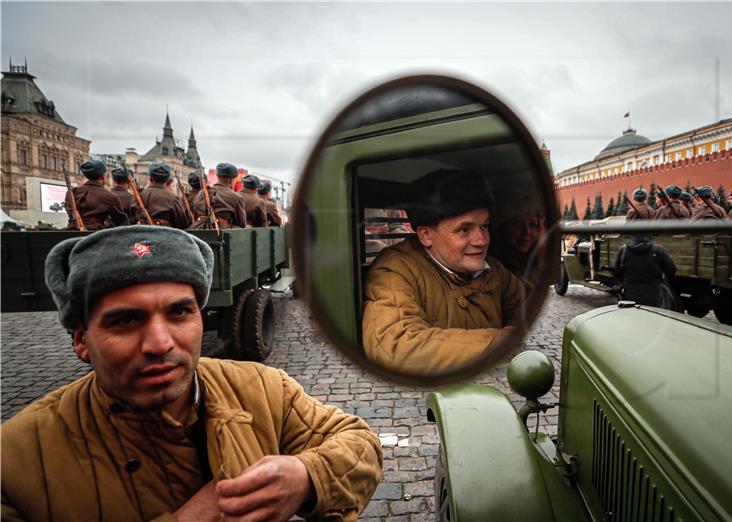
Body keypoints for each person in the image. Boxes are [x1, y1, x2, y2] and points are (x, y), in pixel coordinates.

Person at [0, 225, 382, 521]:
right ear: (82, 341)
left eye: (179, 312)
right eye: (126, 321)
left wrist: (305, 477)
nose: (160, 343)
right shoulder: (15, 462)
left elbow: (358, 443)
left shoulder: (263, 388)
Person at [362, 169, 528, 374]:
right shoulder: (394, 270)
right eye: (464, 229)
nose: (482, 241)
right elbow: (396, 347)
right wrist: (505, 341)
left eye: (484, 227)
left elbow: (526, 304)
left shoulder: (493, 270)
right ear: (426, 236)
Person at [613, 234, 677, 307]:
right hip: (653, 293)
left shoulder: (624, 250)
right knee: (652, 315)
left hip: (630, 293)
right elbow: (671, 270)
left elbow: (617, 271)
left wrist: (626, 281)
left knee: (632, 315)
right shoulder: (658, 250)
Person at [65, 159, 129, 230]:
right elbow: (122, 222)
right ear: (102, 176)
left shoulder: (72, 193)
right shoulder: (110, 196)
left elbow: (70, 212)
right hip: (96, 236)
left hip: (70, 235)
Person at [135, 163, 193, 228]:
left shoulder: (139, 196)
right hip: (166, 236)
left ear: (150, 179)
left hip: (140, 236)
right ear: (167, 180)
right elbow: (182, 223)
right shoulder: (173, 198)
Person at [190, 163, 246, 229]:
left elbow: (195, 212)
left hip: (198, 229)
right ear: (231, 180)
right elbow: (241, 223)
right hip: (221, 232)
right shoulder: (236, 197)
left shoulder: (202, 193)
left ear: (218, 176)